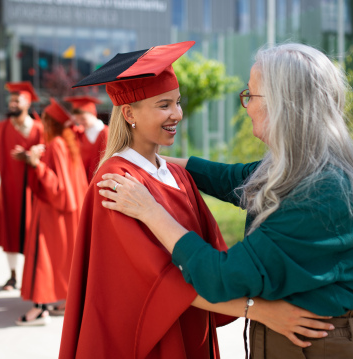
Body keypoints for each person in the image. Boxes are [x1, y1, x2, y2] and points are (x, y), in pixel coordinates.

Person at [98, 43, 353, 358]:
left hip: (315, 344)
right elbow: (230, 179)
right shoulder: (305, 166)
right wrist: (148, 163)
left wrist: (150, 210)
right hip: (294, 337)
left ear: (283, 105)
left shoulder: (321, 190)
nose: (247, 106)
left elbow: (222, 277)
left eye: (251, 96)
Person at [59, 41, 331, 359]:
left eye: (177, 102)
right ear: (130, 113)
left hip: (190, 324)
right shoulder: (117, 183)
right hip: (149, 335)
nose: (177, 114)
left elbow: (212, 260)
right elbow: (159, 279)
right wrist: (257, 310)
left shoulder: (177, 176)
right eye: (164, 105)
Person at [12, 99, 87, 326]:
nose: (41, 123)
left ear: (50, 123)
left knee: (42, 257)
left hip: (52, 211)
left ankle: (39, 309)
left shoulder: (55, 145)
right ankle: (65, 302)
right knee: (64, 259)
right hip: (69, 211)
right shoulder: (68, 142)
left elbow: (57, 186)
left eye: (44, 119)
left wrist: (37, 164)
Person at [0, 81, 44, 291]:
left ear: (28, 102)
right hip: (10, 188)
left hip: (36, 190)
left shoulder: (40, 129)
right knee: (11, 231)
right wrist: (4, 164)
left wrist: (32, 157)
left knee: (36, 232)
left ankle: (35, 274)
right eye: (11, 101)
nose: (12, 104)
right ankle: (13, 275)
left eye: (17, 100)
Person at [63, 95, 107, 182]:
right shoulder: (79, 133)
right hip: (83, 181)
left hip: (101, 181)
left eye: (83, 119)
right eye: (77, 120)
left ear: (93, 113)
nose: (80, 122)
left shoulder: (106, 133)